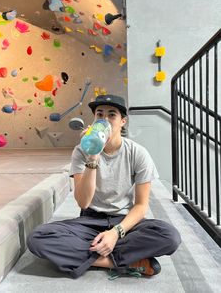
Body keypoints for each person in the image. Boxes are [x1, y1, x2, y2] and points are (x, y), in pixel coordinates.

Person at [27, 94, 181, 279]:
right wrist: (93, 157)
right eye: (99, 115)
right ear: (93, 121)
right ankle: (123, 262)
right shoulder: (81, 151)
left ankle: (93, 255)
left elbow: (141, 206)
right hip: (89, 221)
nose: (105, 120)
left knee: (169, 236)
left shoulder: (138, 153)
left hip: (123, 221)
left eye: (112, 115)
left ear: (122, 121)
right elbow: (83, 202)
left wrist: (116, 233)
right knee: (38, 238)